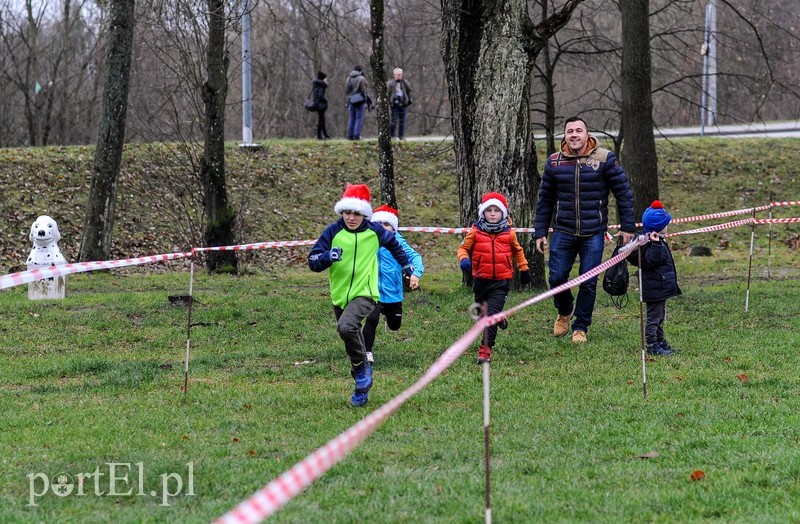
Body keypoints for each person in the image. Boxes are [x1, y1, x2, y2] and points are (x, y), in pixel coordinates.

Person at [308, 184, 414, 407]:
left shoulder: (375, 231)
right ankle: (361, 384)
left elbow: (395, 244)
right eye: (348, 212)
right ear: (342, 212)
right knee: (349, 335)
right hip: (340, 296)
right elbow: (313, 261)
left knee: (346, 327)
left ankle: (362, 368)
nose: (351, 217)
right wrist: (328, 256)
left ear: (365, 213)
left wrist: (406, 265)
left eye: (356, 213)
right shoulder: (332, 232)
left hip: (366, 293)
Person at [534, 116, 636, 344]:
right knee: (557, 277)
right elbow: (545, 200)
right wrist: (540, 231)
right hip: (563, 231)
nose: (574, 135)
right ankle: (564, 310)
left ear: (587, 134)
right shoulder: (554, 162)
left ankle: (580, 327)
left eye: (578, 130)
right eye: (570, 131)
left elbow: (623, 193)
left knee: (588, 282)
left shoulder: (605, 159)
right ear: (565, 136)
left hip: (593, 233)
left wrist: (628, 226)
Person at [457, 192, 531, 364]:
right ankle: (499, 318)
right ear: (482, 213)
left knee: (489, 316)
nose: (492, 213)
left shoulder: (509, 234)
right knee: (483, 316)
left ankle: (485, 350)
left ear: (503, 213)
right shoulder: (475, 232)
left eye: (496, 210)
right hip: (481, 281)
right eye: (488, 210)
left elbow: (517, 252)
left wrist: (524, 268)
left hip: (501, 282)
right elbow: (462, 249)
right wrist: (464, 260)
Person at [362, 204, 424, 365]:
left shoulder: (399, 243)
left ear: (394, 228)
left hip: (393, 292)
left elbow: (415, 258)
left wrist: (415, 274)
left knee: (395, 325)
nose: (382, 227)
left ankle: (388, 315)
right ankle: (366, 352)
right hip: (371, 289)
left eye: (387, 224)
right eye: (379, 224)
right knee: (371, 318)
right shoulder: (367, 241)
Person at [627, 201, 681, 356]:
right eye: (666, 224)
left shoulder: (655, 240)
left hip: (660, 286)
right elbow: (653, 261)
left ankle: (660, 340)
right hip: (654, 287)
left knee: (660, 316)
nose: (667, 226)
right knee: (653, 318)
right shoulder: (651, 243)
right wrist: (656, 245)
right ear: (658, 227)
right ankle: (652, 344)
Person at [386, 68, 413, 140]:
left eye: (401, 74)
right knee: (393, 121)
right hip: (394, 104)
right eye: (398, 74)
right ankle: (392, 136)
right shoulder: (390, 83)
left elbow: (409, 91)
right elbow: (387, 94)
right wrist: (389, 102)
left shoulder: (405, 83)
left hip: (403, 104)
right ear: (394, 75)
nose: (399, 76)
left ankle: (401, 136)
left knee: (402, 121)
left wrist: (409, 100)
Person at [345, 66, 368, 140]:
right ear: (360, 71)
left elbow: (347, 90)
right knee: (359, 119)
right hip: (360, 101)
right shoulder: (361, 78)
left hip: (351, 100)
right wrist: (365, 99)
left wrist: (350, 98)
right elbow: (363, 90)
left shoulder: (349, 78)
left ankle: (350, 135)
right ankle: (357, 135)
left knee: (351, 118)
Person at [312, 71, 330, 140]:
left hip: (317, 104)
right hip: (321, 105)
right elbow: (320, 96)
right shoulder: (322, 86)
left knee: (322, 119)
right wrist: (325, 100)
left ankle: (325, 134)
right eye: (325, 79)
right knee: (321, 120)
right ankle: (319, 135)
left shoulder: (316, 85)